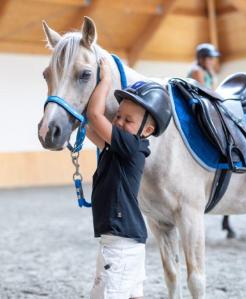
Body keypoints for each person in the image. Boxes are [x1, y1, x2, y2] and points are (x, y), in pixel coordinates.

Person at [86, 58, 172, 299]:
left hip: (120, 243)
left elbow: (94, 115)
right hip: (125, 241)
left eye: (128, 120)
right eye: (118, 116)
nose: (120, 122)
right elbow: (90, 129)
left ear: (147, 130)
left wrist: (103, 81)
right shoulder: (120, 146)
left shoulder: (131, 145)